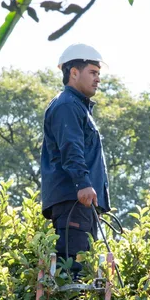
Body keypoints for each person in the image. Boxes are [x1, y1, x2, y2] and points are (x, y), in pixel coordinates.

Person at [40, 43, 111, 277]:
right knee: (74, 274)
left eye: (98, 73)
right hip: (74, 200)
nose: (98, 78)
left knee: (84, 271)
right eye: (93, 72)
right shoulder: (67, 105)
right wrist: (82, 183)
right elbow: (71, 148)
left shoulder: (76, 107)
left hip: (82, 203)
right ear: (73, 72)